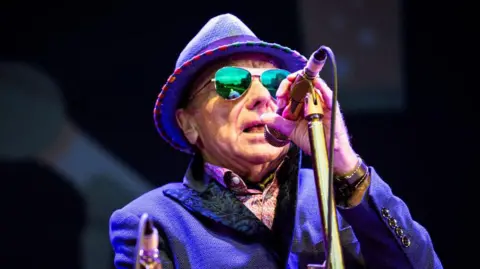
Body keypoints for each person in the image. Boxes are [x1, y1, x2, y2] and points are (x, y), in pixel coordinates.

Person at [109, 13, 442, 269]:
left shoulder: (337, 196)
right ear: (189, 123)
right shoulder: (152, 222)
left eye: (273, 81)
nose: (261, 98)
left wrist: (341, 159)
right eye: (230, 83)